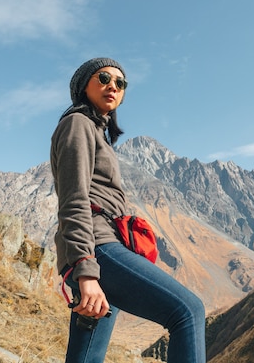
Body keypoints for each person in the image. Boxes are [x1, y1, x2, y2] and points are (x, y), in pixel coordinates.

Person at [51, 57, 206, 363]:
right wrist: (86, 271)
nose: (113, 86)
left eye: (120, 84)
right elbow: (74, 200)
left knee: (86, 357)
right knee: (188, 311)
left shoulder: (96, 131)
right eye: (104, 78)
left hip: (102, 248)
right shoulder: (78, 124)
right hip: (98, 247)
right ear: (84, 85)